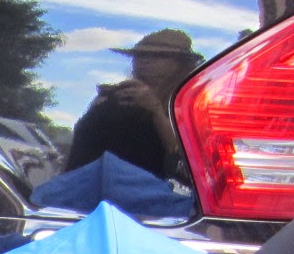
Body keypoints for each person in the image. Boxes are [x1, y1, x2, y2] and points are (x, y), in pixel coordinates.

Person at [64, 28, 203, 180]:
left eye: (159, 56)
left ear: (181, 64)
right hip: (87, 190)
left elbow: (189, 160)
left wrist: (155, 111)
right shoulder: (114, 97)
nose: (145, 61)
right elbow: (78, 155)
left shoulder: (189, 104)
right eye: (140, 55)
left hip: (154, 195)